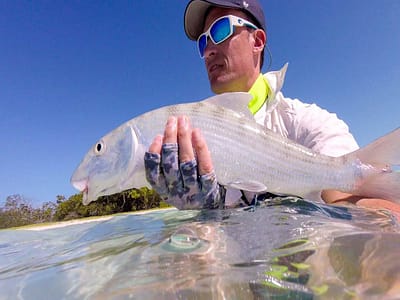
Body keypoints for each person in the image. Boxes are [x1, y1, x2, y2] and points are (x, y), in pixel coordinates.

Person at [144, 0, 400, 217]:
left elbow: (349, 202)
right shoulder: (191, 144)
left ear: (257, 41)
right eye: (202, 42)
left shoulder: (306, 122)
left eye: (220, 30)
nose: (208, 50)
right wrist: (205, 215)